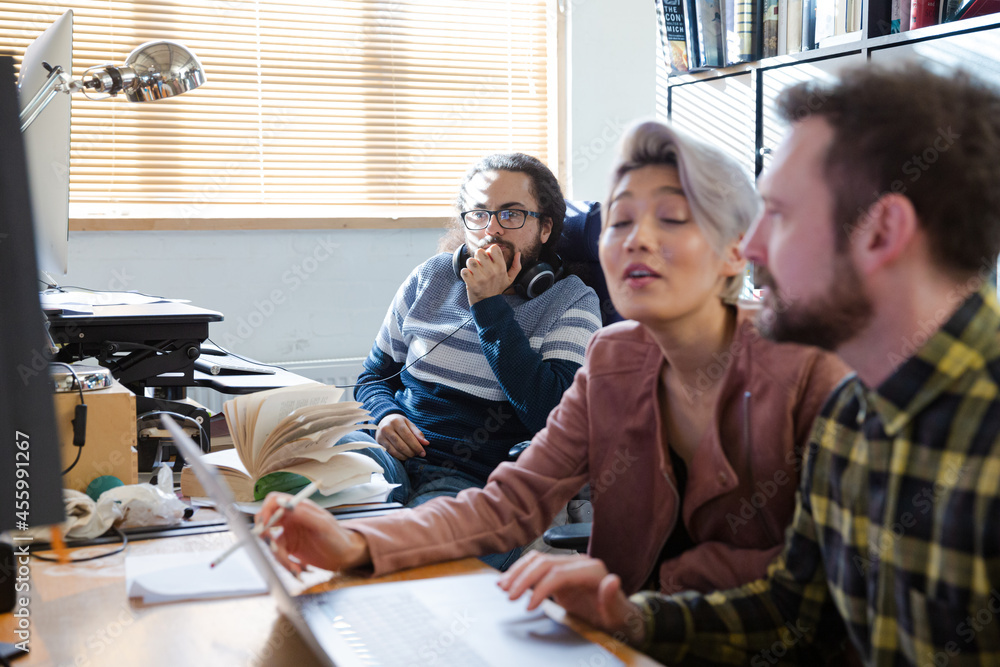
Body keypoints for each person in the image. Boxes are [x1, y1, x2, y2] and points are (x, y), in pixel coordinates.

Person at [497, 64, 1000, 666]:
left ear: (881, 231)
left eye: (780, 213)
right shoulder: (856, 414)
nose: (752, 247)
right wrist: (628, 616)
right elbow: (796, 605)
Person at [257, 121, 848, 600]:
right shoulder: (615, 362)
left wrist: (637, 610)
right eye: (619, 220)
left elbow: (815, 590)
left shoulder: (809, 375)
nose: (636, 239)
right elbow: (511, 504)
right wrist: (358, 547)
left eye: (670, 218)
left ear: (735, 253)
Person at [343, 153, 601, 568]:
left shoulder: (572, 301)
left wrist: (488, 305)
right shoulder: (429, 278)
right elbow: (373, 377)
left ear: (545, 226)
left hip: (471, 480)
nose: (493, 229)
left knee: (413, 556)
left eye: (512, 214)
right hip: (389, 452)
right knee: (318, 484)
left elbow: (550, 413)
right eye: (479, 214)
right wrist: (386, 415)